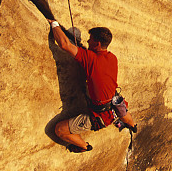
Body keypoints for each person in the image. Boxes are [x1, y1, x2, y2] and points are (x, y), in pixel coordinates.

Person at [50, 21, 137, 153]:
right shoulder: (112, 58)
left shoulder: (90, 58)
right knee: (123, 112)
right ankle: (133, 125)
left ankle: (84, 146)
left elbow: (64, 44)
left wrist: (53, 23)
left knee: (60, 130)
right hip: (115, 103)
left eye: (90, 40)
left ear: (97, 44)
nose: (88, 41)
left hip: (100, 116)